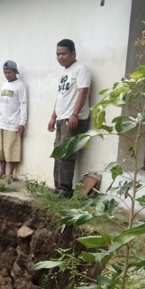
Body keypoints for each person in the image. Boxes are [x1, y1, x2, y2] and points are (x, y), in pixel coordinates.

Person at [47, 39, 91, 198]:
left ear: (73, 53)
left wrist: (74, 114)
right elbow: (61, 96)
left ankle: (65, 190)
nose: (60, 57)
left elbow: (83, 92)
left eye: (63, 53)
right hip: (61, 118)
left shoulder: (81, 69)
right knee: (58, 153)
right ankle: (58, 187)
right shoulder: (64, 72)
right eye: (58, 54)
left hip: (73, 119)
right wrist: (53, 116)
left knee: (66, 155)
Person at [0, 60, 28, 180]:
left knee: (11, 150)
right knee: (0, 149)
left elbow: (23, 104)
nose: (7, 75)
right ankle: (1, 171)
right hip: (1, 122)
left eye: (9, 72)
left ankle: (10, 174)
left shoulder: (20, 85)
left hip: (13, 123)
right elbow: (1, 104)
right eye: (5, 72)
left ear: (15, 72)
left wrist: (22, 123)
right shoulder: (4, 85)